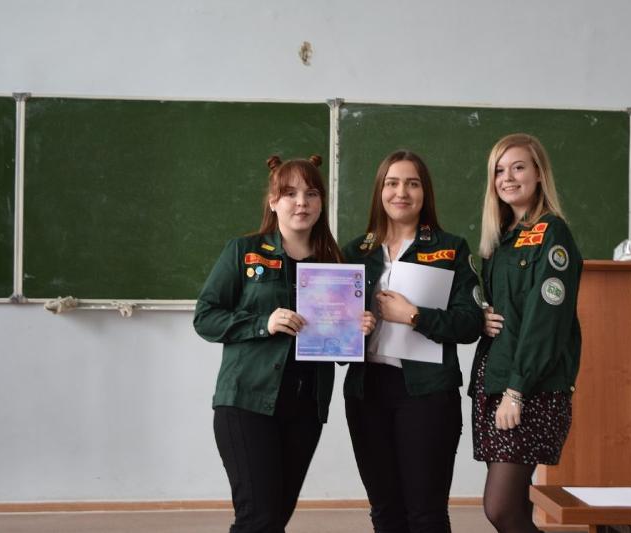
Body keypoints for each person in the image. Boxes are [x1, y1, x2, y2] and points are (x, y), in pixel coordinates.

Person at [193, 155, 376, 533]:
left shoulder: (335, 265)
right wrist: (264, 323)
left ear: (321, 202)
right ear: (273, 201)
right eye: (290, 193)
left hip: (305, 408)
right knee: (257, 518)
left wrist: (357, 330)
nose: (301, 202)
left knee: (275, 518)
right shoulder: (243, 251)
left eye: (311, 194)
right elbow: (206, 317)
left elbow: (341, 353)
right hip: (246, 401)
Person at [342, 150, 484, 533]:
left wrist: (415, 316)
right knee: (385, 511)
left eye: (412, 183)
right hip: (367, 392)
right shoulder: (355, 252)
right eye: (392, 183)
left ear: (425, 192)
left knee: (426, 514)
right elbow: (333, 330)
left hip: (427, 393)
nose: (401, 192)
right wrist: (349, 329)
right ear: (380, 191)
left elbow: (470, 324)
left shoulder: (451, 248)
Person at [470, 134, 582, 533]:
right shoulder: (501, 237)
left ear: (538, 173)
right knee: (514, 508)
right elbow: (507, 308)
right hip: (495, 379)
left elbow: (545, 321)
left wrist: (516, 391)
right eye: (499, 170)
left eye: (518, 167)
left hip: (528, 387)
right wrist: (482, 316)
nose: (508, 178)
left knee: (500, 509)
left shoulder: (552, 233)